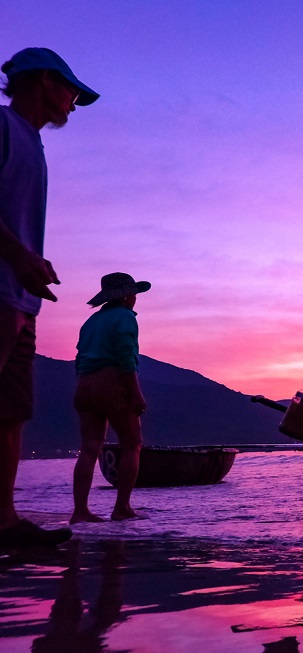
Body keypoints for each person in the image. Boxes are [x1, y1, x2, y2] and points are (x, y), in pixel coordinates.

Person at [0, 48, 99, 547]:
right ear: (42, 81)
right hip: (2, 287)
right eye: (71, 92)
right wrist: (19, 257)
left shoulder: (34, 145)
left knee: (11, 410)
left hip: (21, 295)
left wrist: (32, 262)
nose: (74, 104)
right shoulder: (2, 126)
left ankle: (5, 523)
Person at [70, 273, 150, 524]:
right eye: (134, 293)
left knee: (90, 446)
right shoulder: (125, 317)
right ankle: (122, 508)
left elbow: (79, 356)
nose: (135, 298)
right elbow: (126, 357)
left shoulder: (91, 321)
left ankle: (80, 512)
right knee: (132, 444)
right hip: (112, 381)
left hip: (84, 383)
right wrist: (136, 394)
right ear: (126, 295)